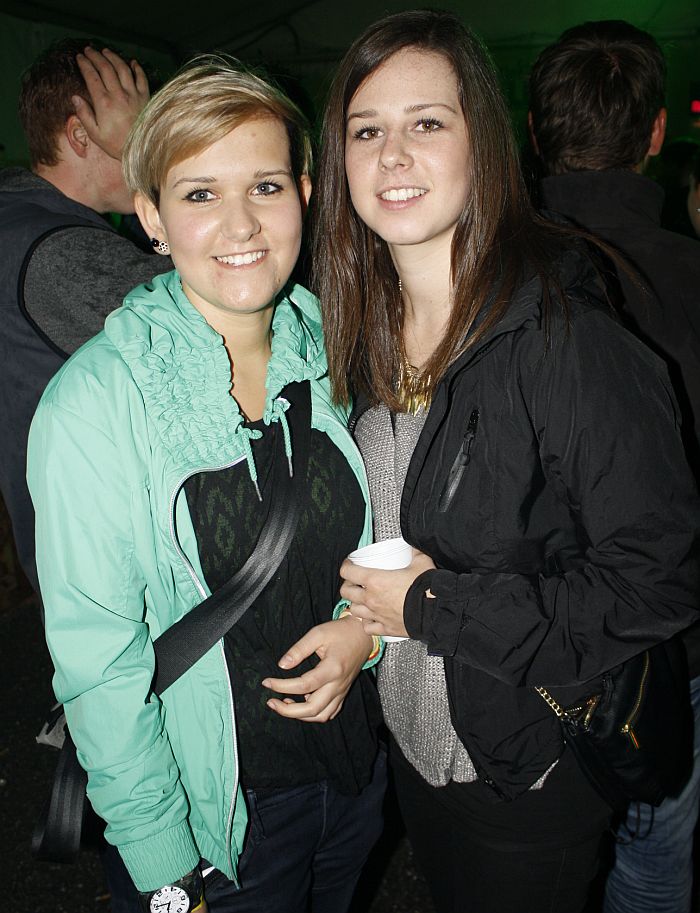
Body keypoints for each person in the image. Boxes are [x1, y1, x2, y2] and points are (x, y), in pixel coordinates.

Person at [312, 10, 700, 913]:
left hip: (528, 771)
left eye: (426, 122)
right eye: (366, 130)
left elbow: (660, 580)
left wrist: (431, 608)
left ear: (483, 141)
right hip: (417, 750)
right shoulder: (363, 333)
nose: (393, 153)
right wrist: (367, 628)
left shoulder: (564, 337)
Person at [28, 57, 385, 913]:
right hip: (213, 821)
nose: (241, 223)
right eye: (199, 194)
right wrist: (164, 858)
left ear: (304, 194)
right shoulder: (97, 401)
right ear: (150, 215)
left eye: (265, 185)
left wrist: (362, 633)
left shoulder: (334, 349)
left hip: (353, 780)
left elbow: (376, 537)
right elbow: (99, 664)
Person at [529, 22, 700, 913]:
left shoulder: (487, 272)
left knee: (541, 865)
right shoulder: (690, 274)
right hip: (677, 638)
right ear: (657, 133)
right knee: (654, 860)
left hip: (526, 639)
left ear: (533, 133)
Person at [0, 38, 166, 594]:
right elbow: (211, 326)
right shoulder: (63, 252)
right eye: (144, 132)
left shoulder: (17, 221)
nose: (158, 146)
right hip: (119, 566)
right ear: (80, 136)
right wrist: (153, 178)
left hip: (69, 553)